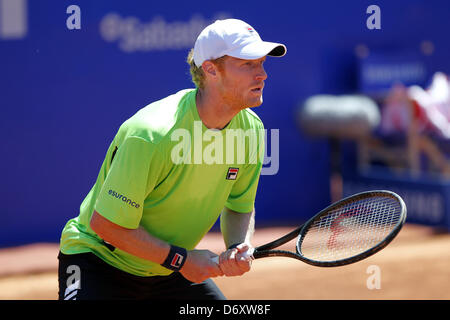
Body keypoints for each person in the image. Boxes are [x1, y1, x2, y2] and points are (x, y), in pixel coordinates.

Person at [58, 18, 286, 300]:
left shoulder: (251, 130)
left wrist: (239, 245)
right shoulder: (152, 135)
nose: (262, 74)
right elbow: (107, 225)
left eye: (262, 63)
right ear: (211, 70)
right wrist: (183, 261)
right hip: (99, 263)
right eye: (247, 64)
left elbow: (239, 206)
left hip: (167, 269)